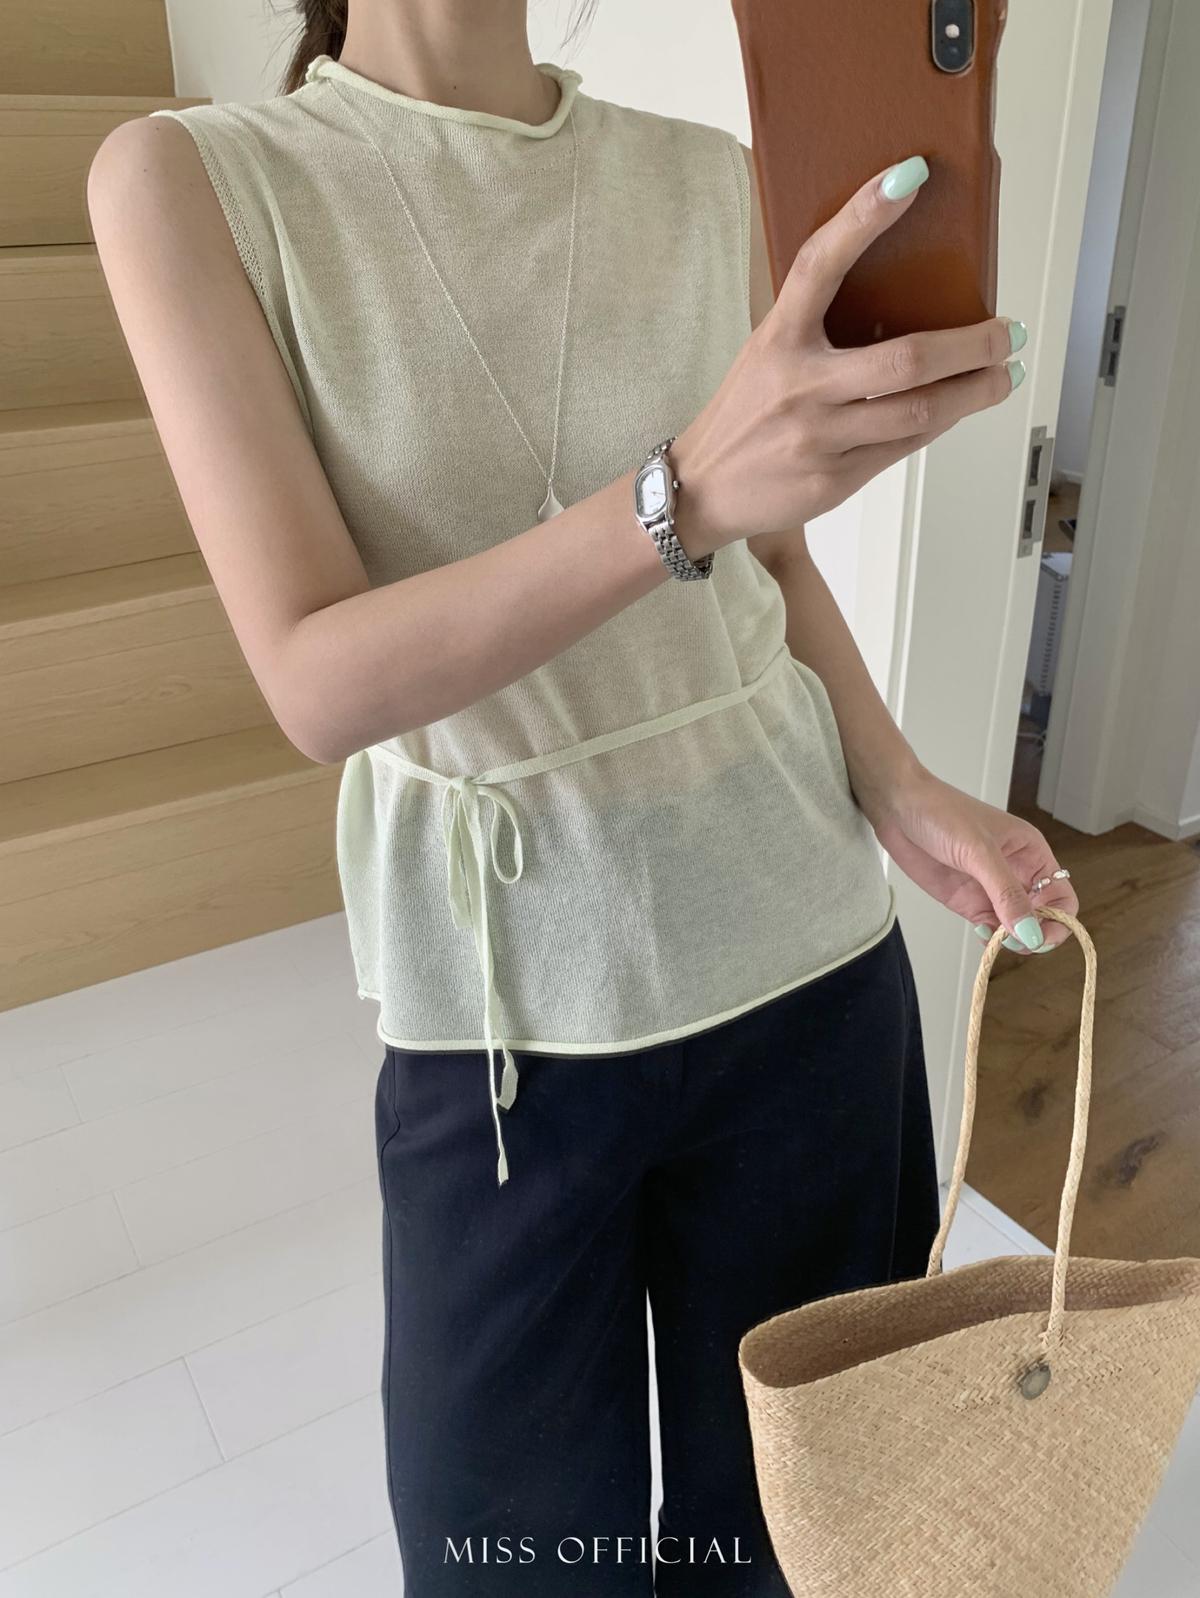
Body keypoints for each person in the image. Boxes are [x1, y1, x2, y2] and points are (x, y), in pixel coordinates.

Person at [88, 2, 1080, 1591]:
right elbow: (316, 678)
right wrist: (678, 490)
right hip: (504, 1028)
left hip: (808, 960)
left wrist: (902, 787)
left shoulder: (709, 174)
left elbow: (771, 564)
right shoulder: (192, 182)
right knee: (514, 1558)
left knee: (795, 1537)